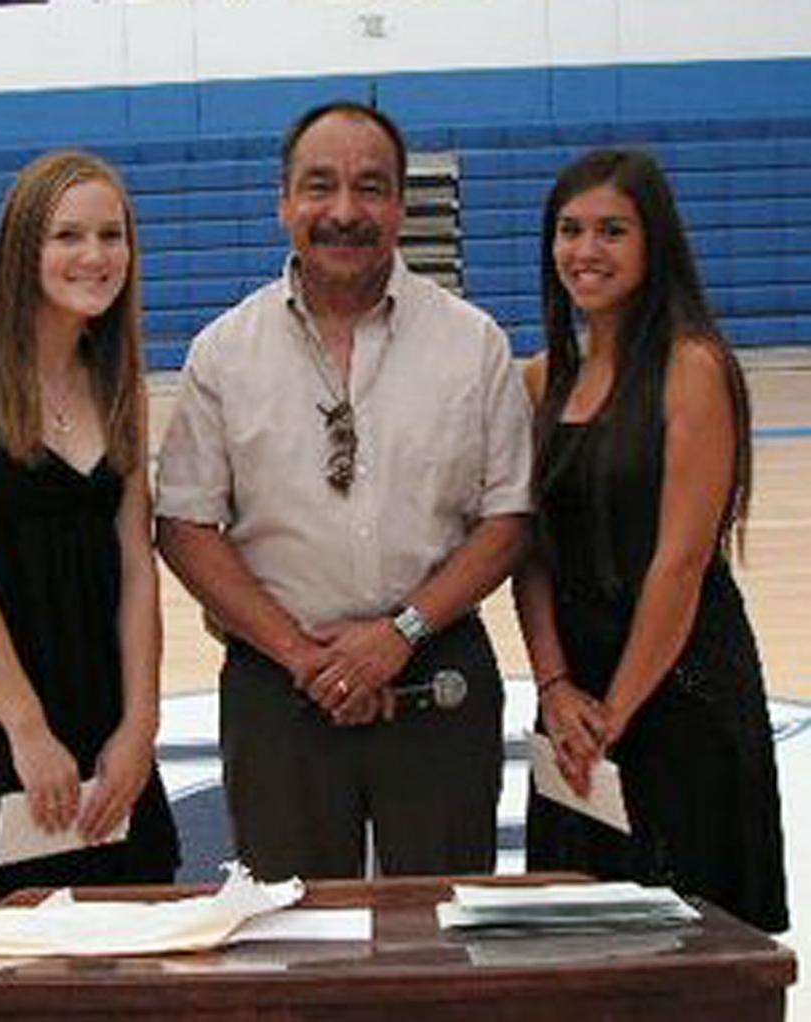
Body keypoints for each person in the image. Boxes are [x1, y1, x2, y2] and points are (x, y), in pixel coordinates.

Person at [155, 101, 533, 882]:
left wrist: (398, 635)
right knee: (291, 948)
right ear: (284, 201)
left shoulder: (474, 343)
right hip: (278, 687)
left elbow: (508, 518)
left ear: (399, 203)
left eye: (371, 187)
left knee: (441, 935)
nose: (344, 212)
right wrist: (302, 655)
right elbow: (186, 524)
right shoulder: (224, 352)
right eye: (319, 186)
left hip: (437, 676)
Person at [0, 150, 180, 919]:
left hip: (100, 704)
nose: (94, 256)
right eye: (68, 236)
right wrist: (28, 729)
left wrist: (140, 725)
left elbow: (136, 563)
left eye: (111, 235)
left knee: (128, 940)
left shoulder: (117, 376)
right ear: (24, 247)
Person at [514, 147, 789, 932]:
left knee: (690, 943)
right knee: (573, 941)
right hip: (574, 700)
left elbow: (681, 563)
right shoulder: (538, 381)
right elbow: (527, 554)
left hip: (678, 688)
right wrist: (556, 688)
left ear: (652, 243)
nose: (585, 250)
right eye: (569, 230)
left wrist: (613, 714)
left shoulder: (692, 367)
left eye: (612, 231)